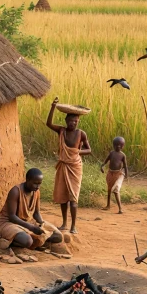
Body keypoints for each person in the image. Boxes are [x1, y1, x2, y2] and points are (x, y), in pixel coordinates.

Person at [45, 98, 91, 233]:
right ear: (66, 121)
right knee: (63, 197)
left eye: (75, 121)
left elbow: (89, 150)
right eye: (71, 121)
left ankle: (73, 226)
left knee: (73, 198)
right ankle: (64, 223)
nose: (73, 123)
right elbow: (48, 123)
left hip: (75, 167)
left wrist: (77, 152)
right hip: (63, 166)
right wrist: (53, 107)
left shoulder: (81, 134)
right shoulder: (61, 131)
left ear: (79, 122)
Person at [0, 168, 64, 250]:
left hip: (28, 222)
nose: (37, 186)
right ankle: (9, 241)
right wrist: (31, 228)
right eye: (35, 183)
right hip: (8, 223)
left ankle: (36, 241)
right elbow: (12, 217)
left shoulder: (36, 192)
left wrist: (42, 225)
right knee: (27, 240)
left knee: (58, 236)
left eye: (39, 184)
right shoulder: (16, 191)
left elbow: (36, 213)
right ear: (27, 180)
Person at [101, 137, 129, 214]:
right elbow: (105, 161)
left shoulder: (122, 155)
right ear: (113, 145)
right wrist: (102, 166)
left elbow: (125, 166)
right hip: (110, 173)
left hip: (119, 174)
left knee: (116, 190)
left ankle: (120, 209)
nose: (118, 146)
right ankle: (108, 205)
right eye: (116, 145)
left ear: (123, 146)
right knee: (109, 189)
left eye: (120, 145)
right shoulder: (111, 153)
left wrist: (126, 175)